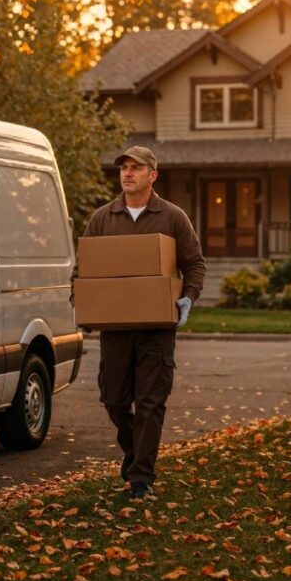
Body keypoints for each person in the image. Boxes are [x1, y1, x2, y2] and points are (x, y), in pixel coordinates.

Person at [78, 145, 206, 500]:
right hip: (116, 330)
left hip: (156, 329)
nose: (128, 173)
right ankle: (136, 451)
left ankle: (141, 478)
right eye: (124, 168)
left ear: (153, 175)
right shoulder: (103, 219)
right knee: (114, 399)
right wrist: (84, 306)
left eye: (137, 168)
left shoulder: (173, 217)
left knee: (150, 402)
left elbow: (195, 264)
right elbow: (83, 271)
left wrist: (187, 298)